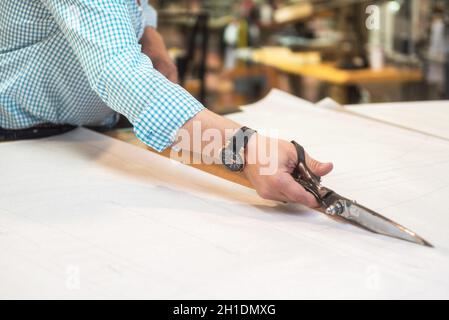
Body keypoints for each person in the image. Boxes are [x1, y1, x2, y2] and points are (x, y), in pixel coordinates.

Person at [0, 0, 333, 207]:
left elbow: (132, 7)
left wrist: (149, 34)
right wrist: (245, 148)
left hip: (88, 136)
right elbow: (119, 73)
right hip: (25, 138)